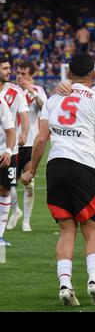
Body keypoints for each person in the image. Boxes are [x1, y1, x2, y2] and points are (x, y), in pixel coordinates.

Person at [22, 53, 95, 306]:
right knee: (92, 229)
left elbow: (41, 138)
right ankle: (94, 281)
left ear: (69, 73)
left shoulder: (54, 97)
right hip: (84, 166)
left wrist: (31, 169)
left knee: (66, 230)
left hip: (56, 165)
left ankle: (65, 285)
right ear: (93, 74)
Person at [7, 61, 47, 232]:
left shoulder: (38, 91)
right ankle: (16, 210)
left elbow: (45, 108)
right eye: (19, 73)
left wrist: (30, 89)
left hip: (31, 144)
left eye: (24, 74)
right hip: (12, 144)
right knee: (9, 184)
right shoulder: (10, 91)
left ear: (31, 76)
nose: (20, 77)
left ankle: (26, 222)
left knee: (28, 182)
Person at [0, 56, 29, 247]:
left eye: (9, 68)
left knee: (5, 190)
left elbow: (23, 116)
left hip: (7, 150)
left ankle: (0, 235)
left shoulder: (15, 92)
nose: (9, 72)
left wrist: (24, 133)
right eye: (5, 68)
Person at [0, 98, 16, 246]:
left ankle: (0, 235)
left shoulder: (1, 103)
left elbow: (11, 131)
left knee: (5, 191)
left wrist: (8, 152)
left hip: (2, 154)